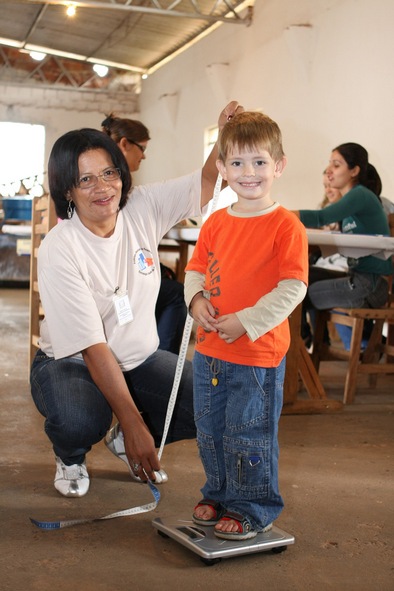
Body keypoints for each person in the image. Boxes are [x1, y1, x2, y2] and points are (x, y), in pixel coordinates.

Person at [30, 100, 243, 498]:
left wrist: (225, 133)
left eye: (109, 172)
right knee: (80, 417)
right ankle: (71, 454)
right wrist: (133, 421)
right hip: (72, 361)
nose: (103, 187)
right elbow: (93, 348)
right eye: (86, 179)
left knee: (214, 402)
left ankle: (122, 441)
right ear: (67, 190)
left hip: (138, 357)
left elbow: (206, 181)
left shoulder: (143, 206)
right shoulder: (61, 247)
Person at [184, 111, 309, 540]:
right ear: (221, 168)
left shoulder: (285, 225)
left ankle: (252, 507)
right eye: (236, 163)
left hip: (257, 355)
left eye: (258, 162)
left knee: (248, 434)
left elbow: (293, 288)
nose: (248, 173)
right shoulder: (216, 221)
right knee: (211, 430)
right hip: (210, 352)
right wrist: (196, 298)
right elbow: (195, 270)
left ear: (279, 165)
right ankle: (218, 494)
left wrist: (247, 321)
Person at [101, 114, 187, 354]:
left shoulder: (111, 182)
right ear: (124, 144)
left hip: (111, 273)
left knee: (160, 279)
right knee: (176, 294)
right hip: (111, 280)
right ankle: (164, 362)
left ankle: (153, 352)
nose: (145, 155)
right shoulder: (118, 186)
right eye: (142, 148)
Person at [294, 142, 393, 349]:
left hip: (370, 285)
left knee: (297, 292)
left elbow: (321, 217)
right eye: (330, 164)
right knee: (303, 276)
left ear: (354, 171)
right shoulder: (352, 200)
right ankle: (308, 344)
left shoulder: (360, 195)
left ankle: (302, 346)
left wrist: (279, 215)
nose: (329, 170)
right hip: (358, 278)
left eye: (336, 165)